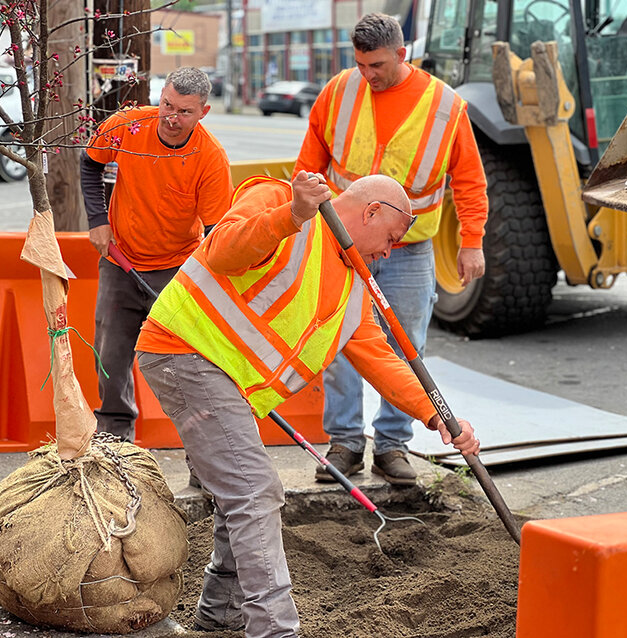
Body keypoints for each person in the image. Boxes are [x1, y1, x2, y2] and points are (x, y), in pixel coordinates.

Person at [134, 171, 481, 637]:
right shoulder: (280, 200)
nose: (390, 251)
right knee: (254, 490)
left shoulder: (354, 290)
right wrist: (292, 215)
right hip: (184, 350)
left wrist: (439, 415)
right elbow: (223, 250)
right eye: (392, 238)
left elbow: (383, 361)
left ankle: (221, 612)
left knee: (244, 487)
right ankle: (274, 629)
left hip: (221, 373)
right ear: (371, 212)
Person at [293, 13, 489, 486]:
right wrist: (299, 224)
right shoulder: (339, 92)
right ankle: (344, 443)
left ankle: (393, 446)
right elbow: (309, 164)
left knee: (406, 347)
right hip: (344, 244)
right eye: (360, 64)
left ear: (403, 55)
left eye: (376, 65)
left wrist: (472, 242)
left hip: (409, 252)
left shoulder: (446, 106)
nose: (367, 74)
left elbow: (468, 179)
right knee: (338, 342)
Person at [79, 66, 232, 450]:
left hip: (177, 268)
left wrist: (202, 283)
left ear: (203, 112)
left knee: (188, 363)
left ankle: (203, 452)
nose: (171, 118)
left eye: (184, 111)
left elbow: (216, 233)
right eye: (167, 105)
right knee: (112, 355)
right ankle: (114, 438)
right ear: (160, 96)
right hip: (121, 261)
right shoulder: (129, 125)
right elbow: (90, 163)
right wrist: (98, 220)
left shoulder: (210, 158)